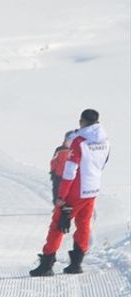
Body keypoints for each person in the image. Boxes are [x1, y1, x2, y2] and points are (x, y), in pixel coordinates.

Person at [31, 109, 110, 276]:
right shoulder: (105, 141)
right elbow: (102, 163)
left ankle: (46, 265)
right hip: (92, 189)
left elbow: (70, 171)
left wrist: (61, 196)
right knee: (83, 224)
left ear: (82, 121)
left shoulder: (79, 142)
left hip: (76, 190)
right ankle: (76, 263)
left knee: (58, 224)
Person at [49, 130, 77, 204]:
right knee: (57, 191)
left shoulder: (76, 151)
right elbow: (53, 161)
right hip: (58, 175)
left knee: (68, 192)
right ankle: (56, 206)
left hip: (70, 176)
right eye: (69, 140)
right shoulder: (60, 149)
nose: (70, 142)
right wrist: (53, 172)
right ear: (65, 140)